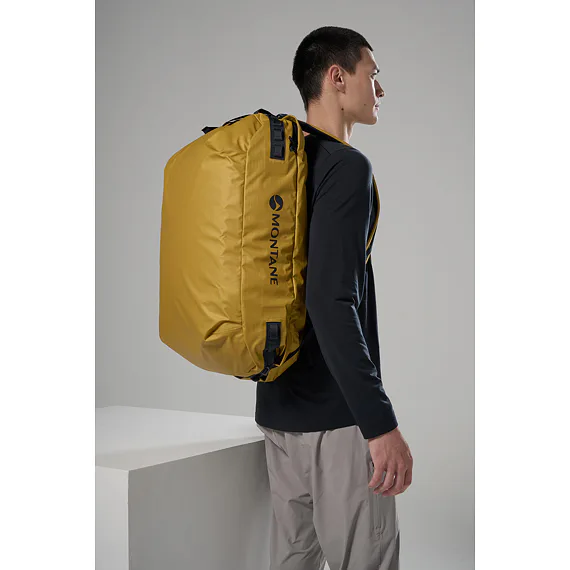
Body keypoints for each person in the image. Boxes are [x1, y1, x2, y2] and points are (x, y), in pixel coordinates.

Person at [255, 26, 414, 570]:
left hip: (278, 412)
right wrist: (379, 422)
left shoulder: (279, 167)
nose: (380, 89)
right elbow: (331, 301)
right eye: (373, 74)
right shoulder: (346, 167)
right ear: (337, 77)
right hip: (338, 421)